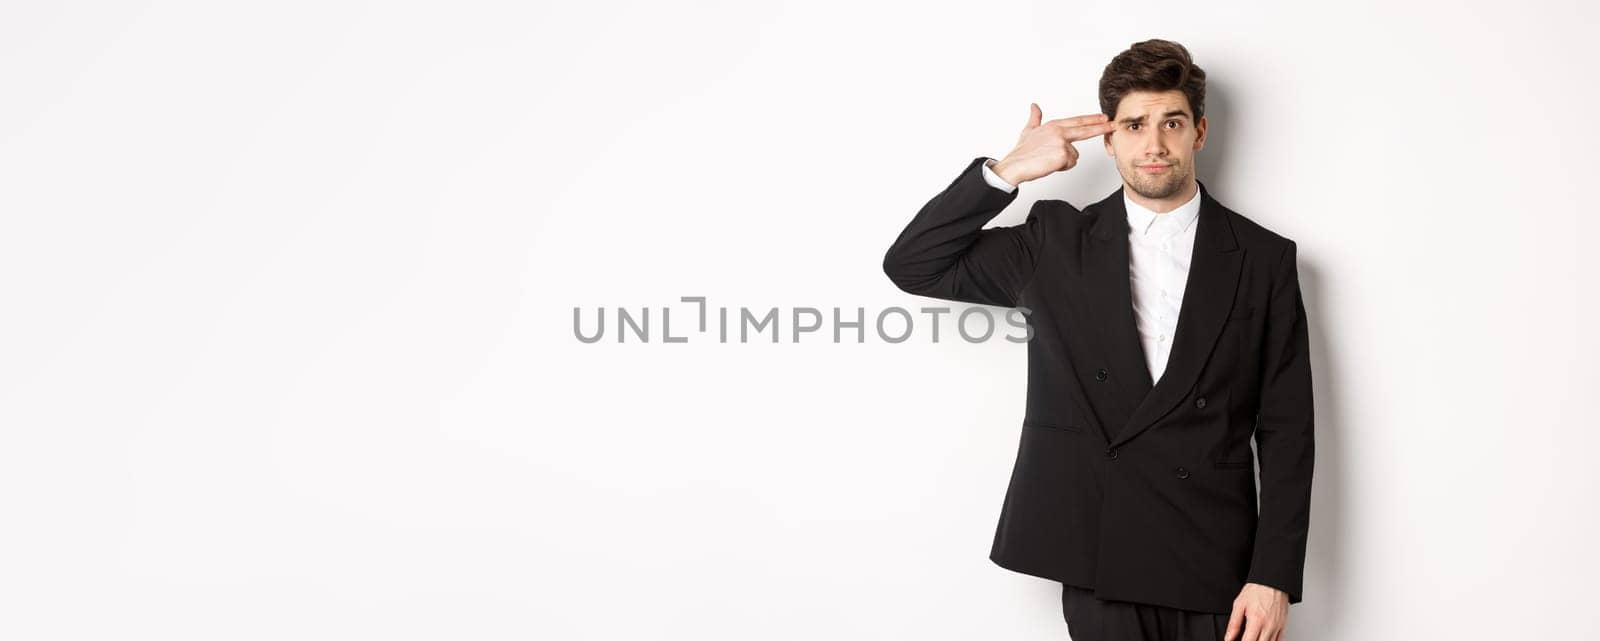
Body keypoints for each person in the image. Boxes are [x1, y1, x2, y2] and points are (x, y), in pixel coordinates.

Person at [881, 39, 1314, 641]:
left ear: (1200, 132)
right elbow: (913, 264)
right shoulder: (1054, 242)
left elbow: (1289, 427)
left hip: (1219, 562)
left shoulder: (1264, 257)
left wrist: (1274, 576)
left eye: (1172, 122)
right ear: (1109, 140)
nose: (1155, 144)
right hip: (1100, 553)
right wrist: (1005, 172)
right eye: (1134, 125)